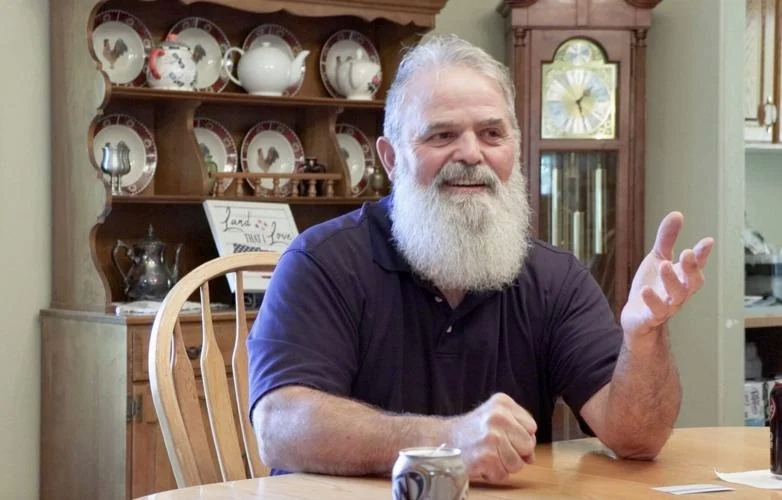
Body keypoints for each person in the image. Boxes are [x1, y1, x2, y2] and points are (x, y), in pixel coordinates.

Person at [246, 34, 714, 483]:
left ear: (514, 148)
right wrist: (446, 441)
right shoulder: (322, 262)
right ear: (391, 158)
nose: (471, 153)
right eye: (441, 134)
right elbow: (279, 427)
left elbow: (637, 439)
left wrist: (643, 340)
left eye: (492, 133)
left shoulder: (553, 278)